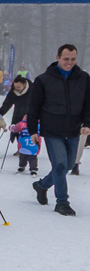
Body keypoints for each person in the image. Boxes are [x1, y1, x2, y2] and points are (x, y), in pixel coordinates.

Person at [28, 44, 90, 216]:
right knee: (61, 164)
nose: (69, 62)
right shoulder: (43, 80)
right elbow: (33, 107)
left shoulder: (83, 78)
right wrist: (32, 130)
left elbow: (88, 103)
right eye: (66, 59)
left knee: (69, 165)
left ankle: (42, 185)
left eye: (73, 59)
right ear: (57, 58)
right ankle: (62, 202)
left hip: (73, 129)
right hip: (51, 130)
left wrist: (87, 123)